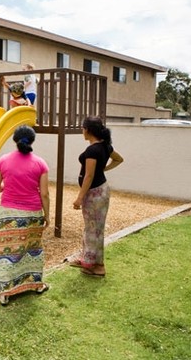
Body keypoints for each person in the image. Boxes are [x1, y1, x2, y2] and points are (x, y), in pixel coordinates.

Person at [0, 125, 50, 305]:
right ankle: (35, 285)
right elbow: (45, 194)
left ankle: (4, 292)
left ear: (15, 140)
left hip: (7, 214)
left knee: (7, 251)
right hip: (32, 212)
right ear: (32, 141)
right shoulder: (40, 163)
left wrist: (7, 187)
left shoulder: (3, 161)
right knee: (32, 249)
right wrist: (47, 216)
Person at [70, 116, 124, 277]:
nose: (82, 130)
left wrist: (79, 197)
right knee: (93, 229)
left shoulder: (92, 150)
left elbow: (89, 176)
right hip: (101, 190)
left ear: (88, 130)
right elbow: (119, 159)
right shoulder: (106, 146)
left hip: (95, 193)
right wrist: (104, 169)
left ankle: (98, 266)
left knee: (93, 230)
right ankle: (89, 261)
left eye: (83, 128)